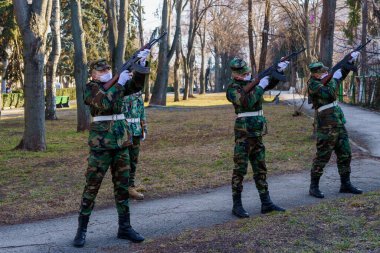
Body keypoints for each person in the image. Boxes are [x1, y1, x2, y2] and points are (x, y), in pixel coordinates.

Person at [73, 49, 150, 248]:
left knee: (123, 188)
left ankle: (124, 227)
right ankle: (81, 230)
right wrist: (119, 82)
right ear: (93, 74)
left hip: (121, 143)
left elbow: (137, 86)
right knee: (92, 187)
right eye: (101, 70)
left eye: (107, 69)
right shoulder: (91, 89)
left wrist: (140, 65)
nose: (106, 71)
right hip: (101, 146)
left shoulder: (118, 85)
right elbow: (105, 103)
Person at [226, 57, 288, 218]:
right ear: (236, 75)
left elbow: (269, 84)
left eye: (247, 71)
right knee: (240, 169)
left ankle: (266, 203)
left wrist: (277, 71)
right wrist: (259, 85)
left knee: (260, 169)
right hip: (244, 135)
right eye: (243, 73)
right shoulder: (232, 89)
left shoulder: (253, 82)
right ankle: (237, 205)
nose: (247, 74)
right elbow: (248, 102)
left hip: (257, 133)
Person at [307, 53, 363, 199]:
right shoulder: (313, 84)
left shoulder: (325, 80)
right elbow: (331, 93)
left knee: (345, 153)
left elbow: (337, 77)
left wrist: (347, 64)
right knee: (323, 156)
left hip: (338, 122)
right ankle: (313, 187)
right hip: (326, 126)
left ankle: (345, 184)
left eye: (327, 71)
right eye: (324, 72)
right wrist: (335, 76)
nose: (326, 72)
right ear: (317, 74)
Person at [122, 90, 147, 200]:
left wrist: (144, 128)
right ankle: (125, 188)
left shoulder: (137, 92)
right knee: (124, 160)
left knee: (134, 159)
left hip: (136, 129)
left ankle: (131, 185)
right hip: (124, 130)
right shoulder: (120, 90)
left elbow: (142, 111)